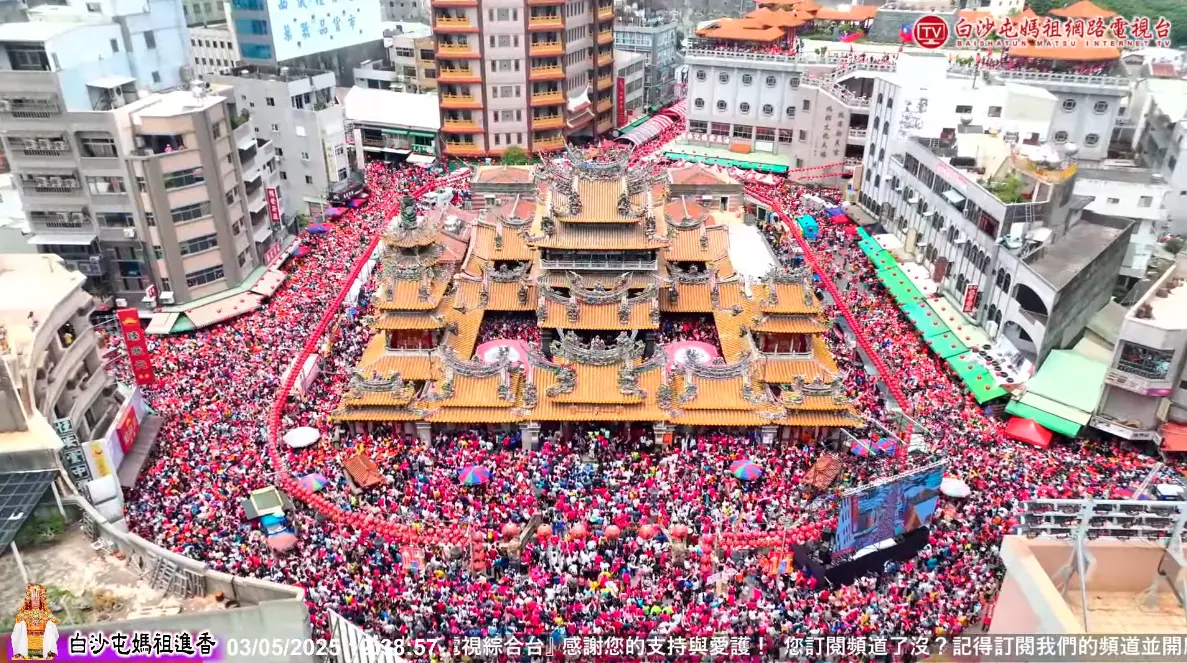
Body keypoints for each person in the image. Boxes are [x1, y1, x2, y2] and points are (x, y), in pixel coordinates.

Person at [11, 584, 59, 660]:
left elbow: (53, 624)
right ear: (30, 601)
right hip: (28, 639)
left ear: (41, 601)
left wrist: (50, 622)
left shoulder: (46, 614)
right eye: (34, 600)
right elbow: (17, 628)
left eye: (37, 600)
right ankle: (23, 654)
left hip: (42, 640)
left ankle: (46, 654)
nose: (36, 602)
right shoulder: (24, 613)